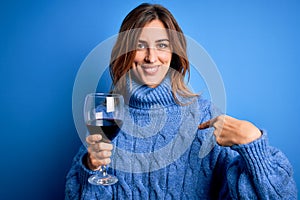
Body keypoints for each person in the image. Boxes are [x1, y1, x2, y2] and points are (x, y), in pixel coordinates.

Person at [65, 3, 297, 199]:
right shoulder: (106, 114)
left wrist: (252, 142)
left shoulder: (204, 116)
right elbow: (74, 195)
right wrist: (91, 167)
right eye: (140, 45)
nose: (151, 57)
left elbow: (281, 195)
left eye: (162, 46)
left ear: (174, 53)